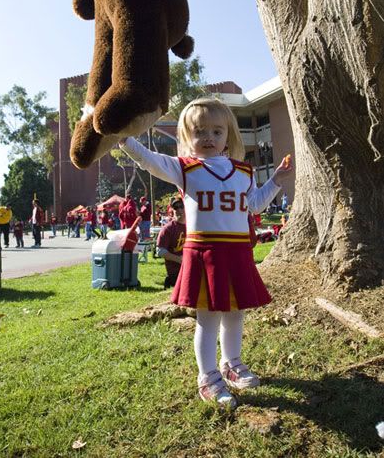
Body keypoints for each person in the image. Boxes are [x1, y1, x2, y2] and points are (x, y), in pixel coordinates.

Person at [119, 97, 293, 409]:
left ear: (229, 135)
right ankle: (208, 378)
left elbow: (254, 206)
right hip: (205, 253)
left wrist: (277, 181)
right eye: (199, 132)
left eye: (216, 131)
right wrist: (123, 139)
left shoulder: (244, 171)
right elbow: (148, 159)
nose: (209, 138)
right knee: (208, 318)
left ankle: (232, 363)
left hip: (238, 253)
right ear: (187, 137)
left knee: (235, 313)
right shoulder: (185, 168)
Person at [156, 196, 186, 289]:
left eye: (181, 206)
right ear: (172, 210)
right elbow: (160, 251)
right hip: (176, 272)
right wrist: (180, 260)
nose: (179, 209)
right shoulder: (168, 228)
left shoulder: (193, 227)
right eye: (176, 207)